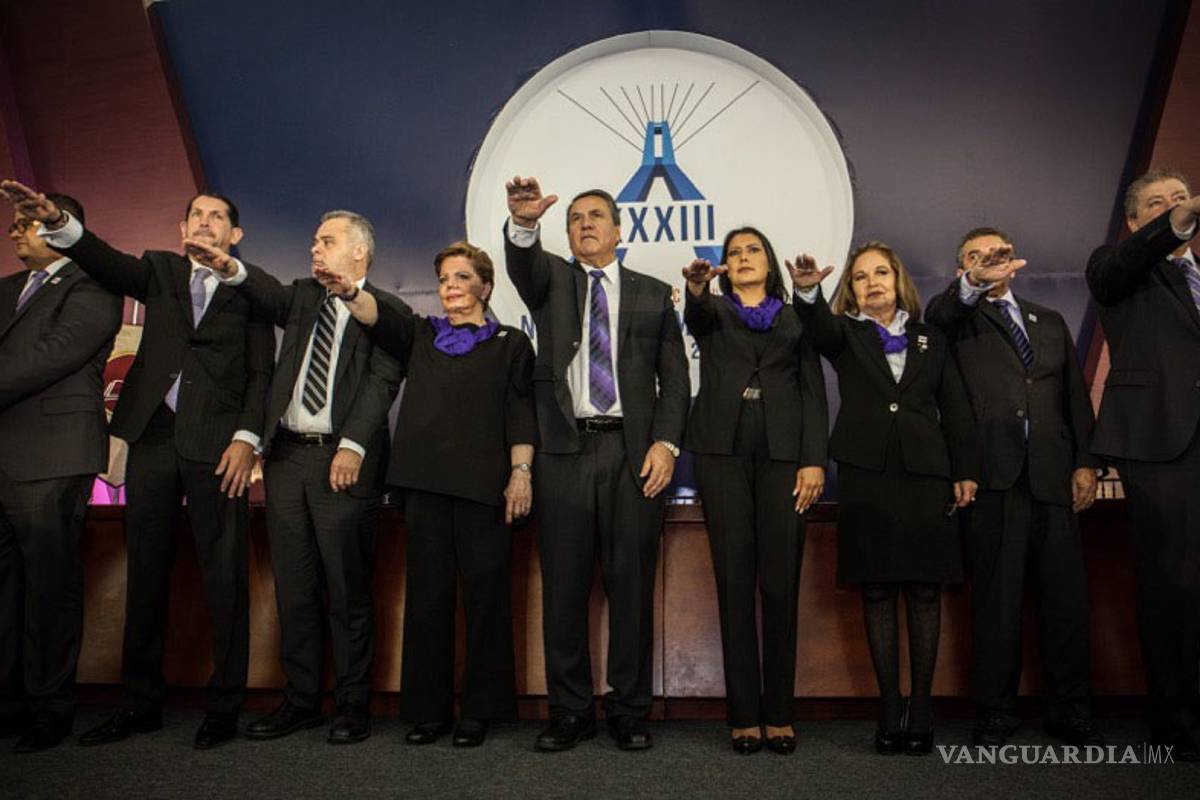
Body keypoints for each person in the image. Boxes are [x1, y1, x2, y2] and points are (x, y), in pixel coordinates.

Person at [0, 179, 274, 750]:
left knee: (224, 578)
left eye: (216, 216)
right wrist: (57, 222)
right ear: (181, 230)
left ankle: (223, 706)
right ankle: (140, 704)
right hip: (151, 438)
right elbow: (103, 260)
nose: (204, 222)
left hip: (218, 446)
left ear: (235, 233)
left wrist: (247, 437)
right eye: (195, 214)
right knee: (145, 576)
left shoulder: (251, 290)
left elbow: (259, 375)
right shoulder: (160, 272)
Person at [187, 211, 402, 745]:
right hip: (286, 461)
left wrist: (352, 445)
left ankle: (352, 704)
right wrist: (231, 267)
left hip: (343, 462)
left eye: (326, 241)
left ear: (358, 252)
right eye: (312, 241)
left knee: (347, 590)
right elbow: (265, 293)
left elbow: (382, 383)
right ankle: (302, 700)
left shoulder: (387, 312)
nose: (314, 249)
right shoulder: (304, 296)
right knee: (295, 587)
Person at [319, 240, 536, 748]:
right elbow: (380, 317)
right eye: (443, 279)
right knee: (427, 601)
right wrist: (352, 290)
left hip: (486, 489)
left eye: (462, 278)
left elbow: (520, 413)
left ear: (485, 285)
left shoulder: (510, 343)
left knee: (486, 600)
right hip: (425, 487)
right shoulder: (422, 335)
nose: (451, 288)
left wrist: (520, 473)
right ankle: (429, 711)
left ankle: (479, 711)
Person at [504, 177, 689, 751]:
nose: (585, 223)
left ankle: (630, 711)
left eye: (596, 216)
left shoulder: (654, 294)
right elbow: (522, 265)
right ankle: (570, 711)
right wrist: (524, 225)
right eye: (576, 218)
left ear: (617, 229)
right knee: (562, 588)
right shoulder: (552, 281)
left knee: (631, 587)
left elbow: (675, 380)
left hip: (634, 457)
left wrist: (666, 444)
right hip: (565, 451)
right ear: (567, 233)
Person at [790, 242, 978, 755]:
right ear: (849, 289)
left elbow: (955, 406)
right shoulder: (845, 334)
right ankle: (889, 706)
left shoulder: (931, 336)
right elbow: (816, 325)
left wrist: (964, 470)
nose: (872, 282)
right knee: (876, 591)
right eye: (860, 277)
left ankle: (921, 707)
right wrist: (808, 290)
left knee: (923, 592)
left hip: (926, 474)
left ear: (898, 281)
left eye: (881, 273)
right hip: (866, 473)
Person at [926, 227, 1102, 748]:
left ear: (1014, 260)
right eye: (974, 258)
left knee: (1065, 603)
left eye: (995, 254)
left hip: (1052, 476)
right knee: (997, 603)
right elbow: (938, 317)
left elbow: (1074, 395)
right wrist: (970, 286)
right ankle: (996, 712)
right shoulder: (955, 320)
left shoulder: (1048, 321)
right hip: (992, 478)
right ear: (962, 268)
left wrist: (1086, 462)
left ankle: (1069, 710)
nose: (987, 262)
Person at [680, 227, 827, 754]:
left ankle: (780, 712)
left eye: (753, 250)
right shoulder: (714, 313)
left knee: (781, 583)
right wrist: (697, 290)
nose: (743, 259)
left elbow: (812, 389)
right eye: (733, 253)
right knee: (735, 581)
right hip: (721, 453)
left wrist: (813, 459)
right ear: (722, 267)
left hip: (786, 458)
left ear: (770, 263)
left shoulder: (796, 318)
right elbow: (694, 318)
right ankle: (744, 714)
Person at [0, 194, 122, 753]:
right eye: (13, 225)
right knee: (5, 590)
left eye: (26, 224)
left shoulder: (92, 284)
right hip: (5, 457)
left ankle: (50, 708)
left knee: (49, 587)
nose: (14, 233)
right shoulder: (4, 290)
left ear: (57, 226)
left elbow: (50, 357)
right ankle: (9, 703)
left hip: (52, 457)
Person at [1086, 169, 1200, 760]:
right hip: (1163, 441)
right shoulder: (1118, 267)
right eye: (1157, 204)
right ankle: (1176, 723)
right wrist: (1171, 226)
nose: (1174, 208)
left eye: (1181, 199)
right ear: (1134, 222)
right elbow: (1114, 269)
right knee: (1174, 584)